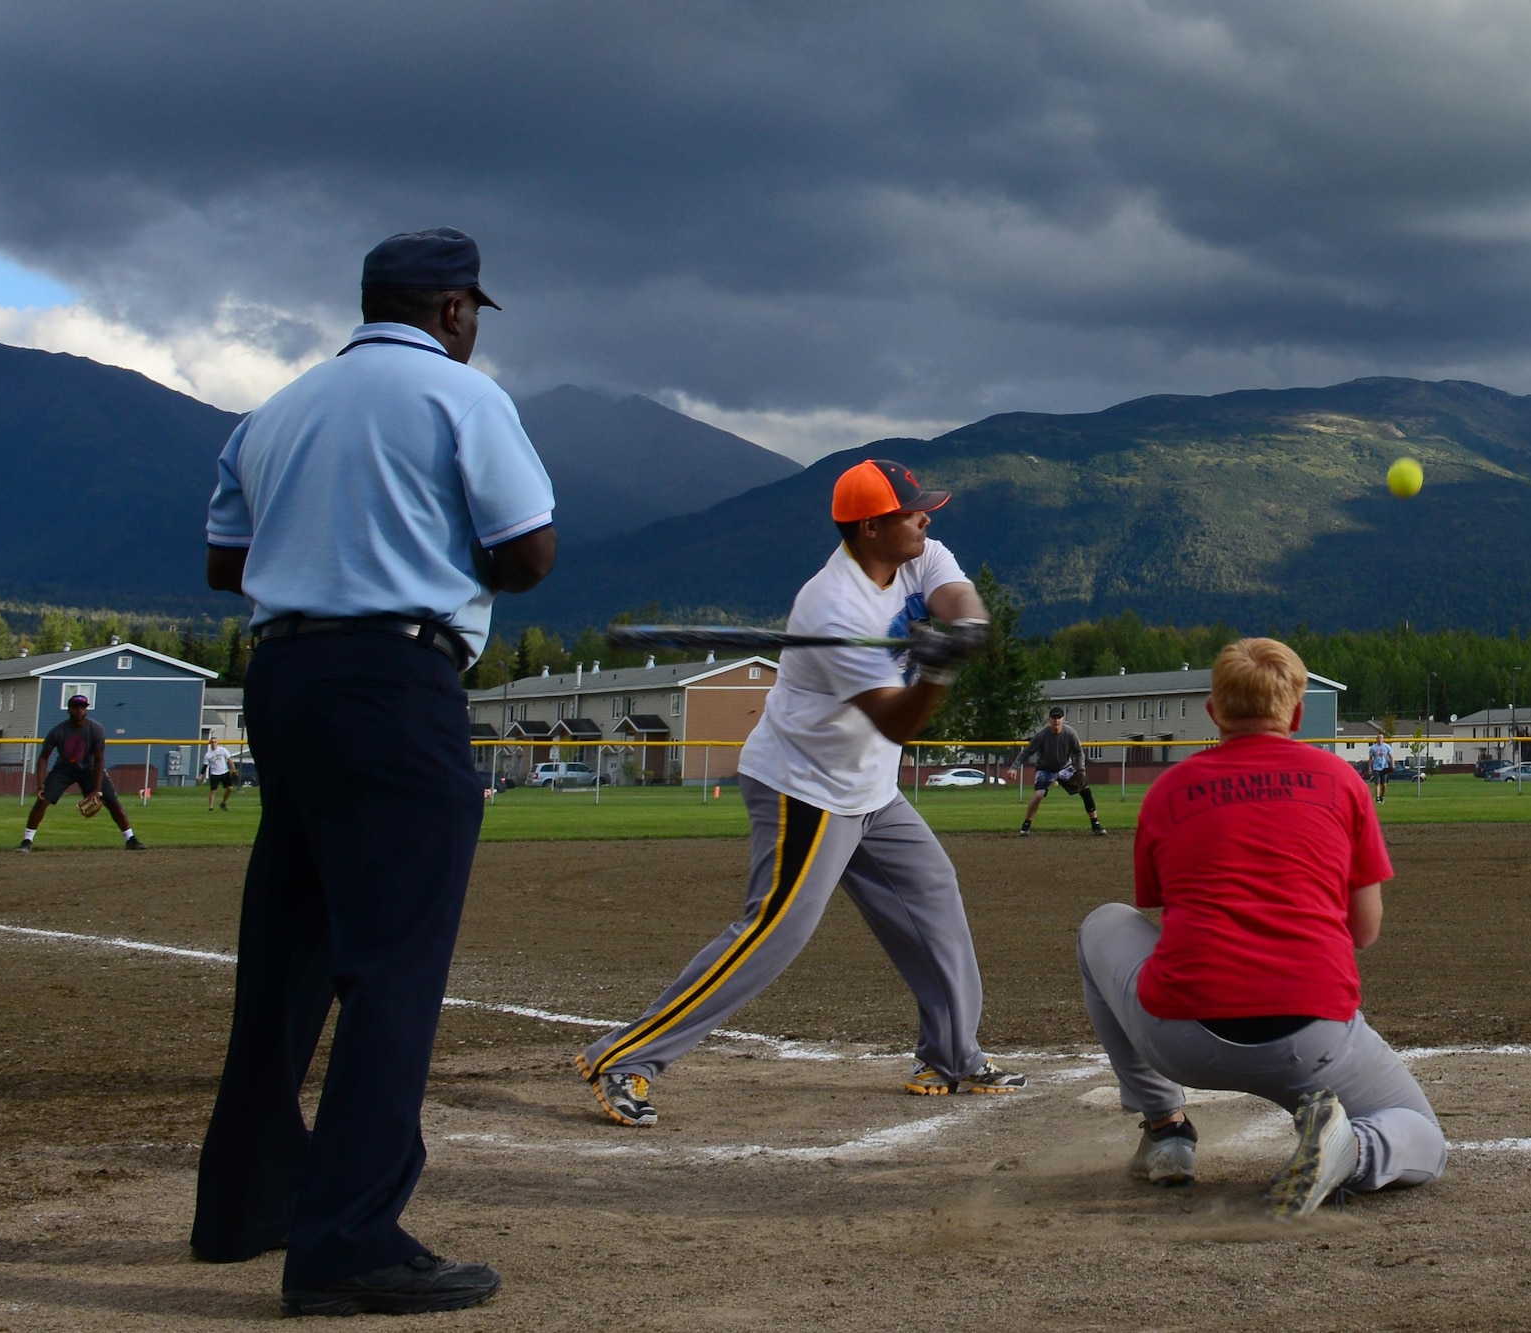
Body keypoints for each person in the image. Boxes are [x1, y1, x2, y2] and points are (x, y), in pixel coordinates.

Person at [192, 228, 557, 1318]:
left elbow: (225, 562)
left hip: (283, 676)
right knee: (391, 963)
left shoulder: (279, 407)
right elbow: (528, 553)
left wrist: (332, 540)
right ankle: (348, 1237)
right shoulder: (460, 396)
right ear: (453, 310)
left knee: (289, 951)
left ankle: (248, 1204)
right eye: (472, 312)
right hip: (394, 679)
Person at [576, 458, 1020, 1127]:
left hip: (869, 787)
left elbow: (957, 594)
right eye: (911, 510)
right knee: (775, 932)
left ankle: (950, 1053)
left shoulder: (917, 552)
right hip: (804, 787)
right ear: (872, 527)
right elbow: (898, 716)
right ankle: (627, 1055)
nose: (925, 517)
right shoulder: (832, 606)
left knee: (933, 895)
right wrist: (937, 671)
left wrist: (966, 626)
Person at [1076, 638, 1444, 1217]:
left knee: (1102, 923)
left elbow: (1160, 910)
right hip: (1312, 1040)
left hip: (1183, 1036)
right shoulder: (1341, 779)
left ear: (1213, 713)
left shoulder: (1168, 789)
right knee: (1422, 1136)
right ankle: (1356, 1150)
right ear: (1297, 714)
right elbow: (1365, 930)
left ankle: (1166, 1131)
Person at [17, 693, 146, 851]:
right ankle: (27, 841)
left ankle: (130, 839)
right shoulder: (58, 731)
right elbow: (43, 757)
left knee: (112, 801)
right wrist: (40, 784)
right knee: (42, 800)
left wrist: (96, 790)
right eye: (75, 707)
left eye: (82, 707)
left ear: (87, 710)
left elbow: (99, 760)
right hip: (64, 769)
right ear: (69, 710)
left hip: (90, 769)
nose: (79, 710)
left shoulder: (95, 729)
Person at [1016, 706, 1105, 836]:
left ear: (1063, 719)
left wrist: (1081, 769)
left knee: (1085, 790)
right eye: (1054, 718)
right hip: (1045, 769)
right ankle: (1026, 825)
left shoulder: (1070, 733)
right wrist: (1014, 767)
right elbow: (1027, 752)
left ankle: (1095, 824)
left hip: (1064, 768)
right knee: (1039, 794)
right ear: (1049, 720)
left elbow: (1079, 752)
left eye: (1059, 717)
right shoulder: (1042, 735)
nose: (1056, 720)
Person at [202, 740, 236, 811]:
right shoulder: (208, 754)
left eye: (215, 742)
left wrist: (233, 770)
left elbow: (229, 759)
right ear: (210, 744)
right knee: (213, 791)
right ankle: (211, 807)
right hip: (215, 773)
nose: (213, 743)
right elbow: (205, 766)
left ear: (217, 743)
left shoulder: (222, 750)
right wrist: (201, 775)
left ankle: (223, 803)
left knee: (230, 789)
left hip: (224, 772)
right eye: (212, 742)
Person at [1367, 736, 1392, 802]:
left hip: (1384, 767)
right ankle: (1377, 798)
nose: (1379, 739)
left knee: (1383, 784)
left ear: (1383, 739)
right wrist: (1370, 767)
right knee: (1377, 783)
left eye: (1381, 737)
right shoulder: (1373, 748)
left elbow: (1391, 756)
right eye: (1378, 737)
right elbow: (1370, 758)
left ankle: (1382, 796)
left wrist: (1393, 765)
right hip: (1376, 767)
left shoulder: (1387, 746)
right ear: (1376, 739)